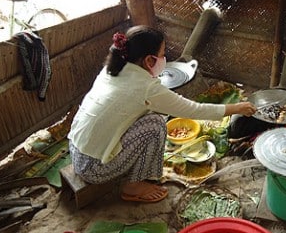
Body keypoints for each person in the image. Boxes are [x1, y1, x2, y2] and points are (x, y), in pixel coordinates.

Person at [68, 25, 256, 203]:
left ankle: (132, 173)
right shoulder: (146, 87)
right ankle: (133, 186)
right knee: (156, 124)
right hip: (93, 169)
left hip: (76, 150)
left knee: (148, 117)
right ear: (149, 60)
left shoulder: (113, 69)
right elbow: (194, 109)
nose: (164, 59)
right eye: (162, 55)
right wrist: (237, 108)